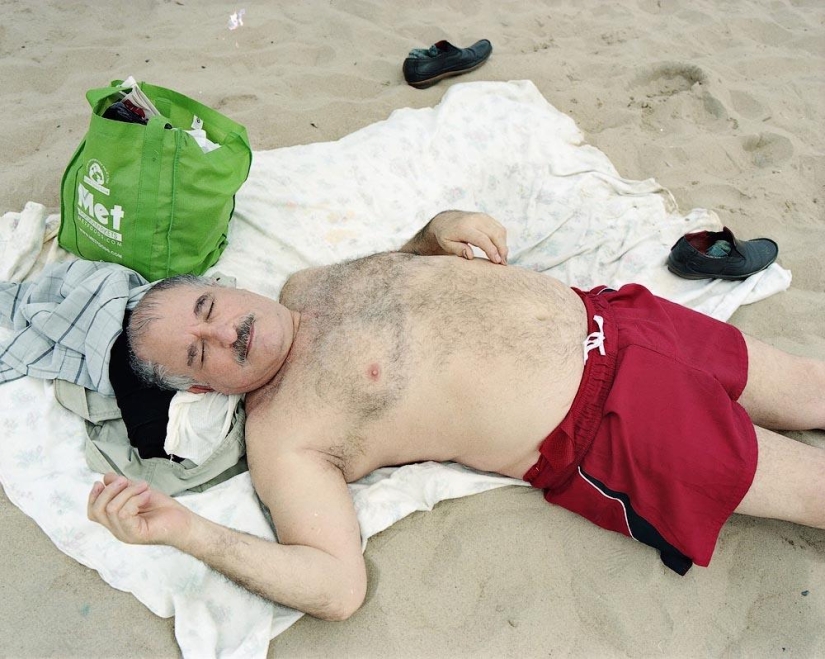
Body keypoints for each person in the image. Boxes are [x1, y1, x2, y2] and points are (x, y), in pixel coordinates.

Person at [87, 210, 825, 621]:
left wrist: (434, 232)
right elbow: (336, 587)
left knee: (808, 385)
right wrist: (186, 531)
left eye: (209, 311)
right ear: (205, 390)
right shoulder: (283, 430)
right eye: (199, 353)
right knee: (811, 488)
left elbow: (402, 269)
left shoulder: (305, 281)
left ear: (224, 287)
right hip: (602, 421)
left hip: (617, 319)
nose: (224, 333)